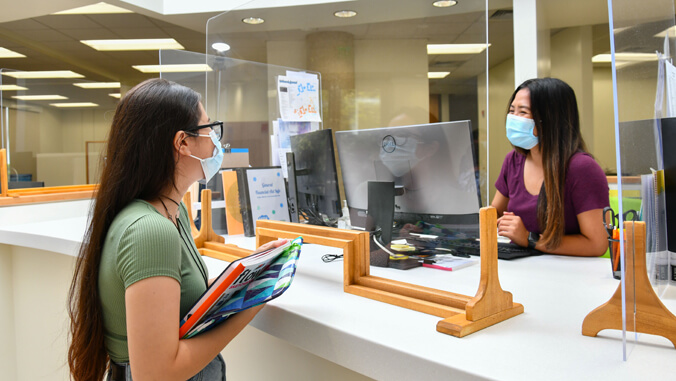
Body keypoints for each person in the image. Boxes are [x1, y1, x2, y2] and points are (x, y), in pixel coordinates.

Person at [67, 78, 287, 381]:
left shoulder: (174, 211)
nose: (216, 141)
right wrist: (256, 299)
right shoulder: (150, 232)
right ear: (182, 142)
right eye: (209, 128)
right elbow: (157, 374)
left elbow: (175, 292)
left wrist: (247, 270)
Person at [491, 78, 609, 256]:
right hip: (524, 268)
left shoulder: (582, 168)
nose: (513, 119)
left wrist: (530, 238)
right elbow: (494, 214)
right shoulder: (513, 161)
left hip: (569, 274)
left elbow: (597, 244)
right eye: (511, 111)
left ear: (550, 119)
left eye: (523, 112)